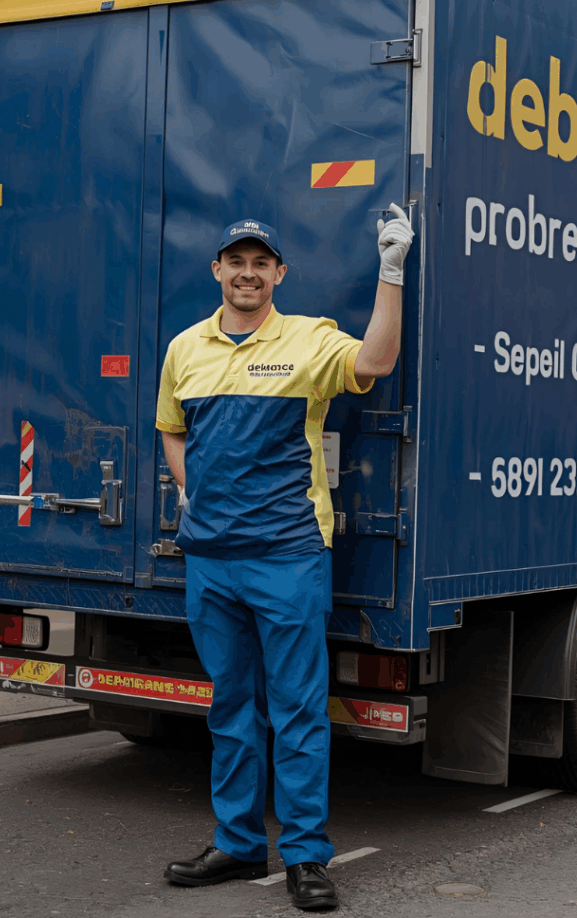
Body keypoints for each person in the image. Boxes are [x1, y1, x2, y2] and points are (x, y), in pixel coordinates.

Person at [157, 206, 414, 910]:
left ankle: (304, 855)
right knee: (231, 708)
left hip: (288, 554)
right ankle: (238, 845)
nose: (247, 272)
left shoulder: (307, 341)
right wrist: (190, 490)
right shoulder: (185, 348)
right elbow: (171, 429)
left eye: (259, 262)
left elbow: (377, 361)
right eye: (234, 261)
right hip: (210, 558)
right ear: (217, 270)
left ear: (278, 274)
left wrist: (391, 270)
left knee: (297, 710)